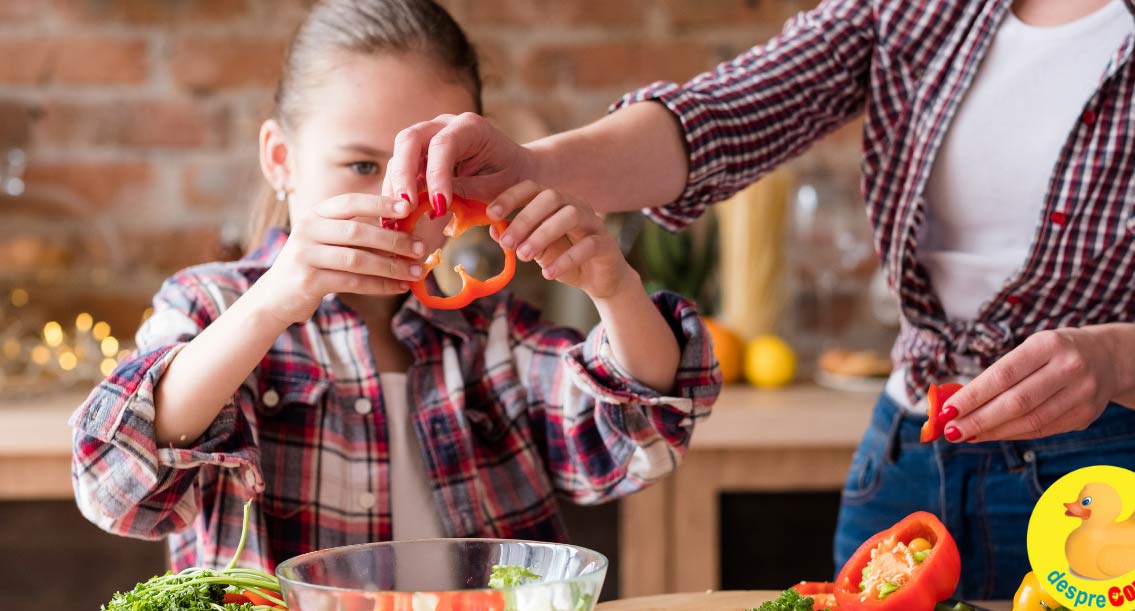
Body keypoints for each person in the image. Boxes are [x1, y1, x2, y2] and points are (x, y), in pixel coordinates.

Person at [381, 0, 1135, 598]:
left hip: (1121, 481)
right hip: (910, 462)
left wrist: (1118, 356)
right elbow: (722, 115)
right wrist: (534, 165)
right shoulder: (916, 10)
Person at [69, 0, 720, 572]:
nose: (399, 199)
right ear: (281, 160)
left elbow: (647, 438)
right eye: (361, 164)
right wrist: (273, 300)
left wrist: (615, 288)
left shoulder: (492, 329)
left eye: (436, 167)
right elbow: (110, 481)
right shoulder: (211, 307)